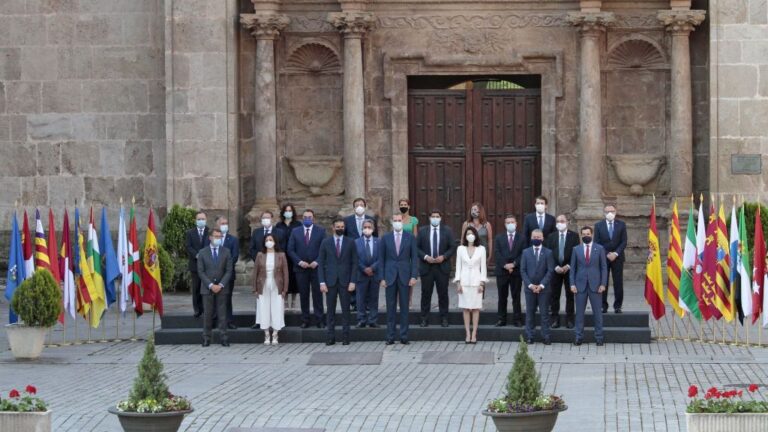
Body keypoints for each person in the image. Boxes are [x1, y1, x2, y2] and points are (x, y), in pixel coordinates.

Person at [379, 212, 419, 345]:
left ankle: (404, 335)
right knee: (390, 308)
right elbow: (381, 259)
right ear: (392, 222)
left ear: (403, 222)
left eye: (399, 220)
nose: (397, 222)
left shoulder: (410, 237)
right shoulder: (385, 238)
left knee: (404, 307)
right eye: (395, 220)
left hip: (405, 276)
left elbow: (414, 259)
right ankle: (390, 336)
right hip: (390, 276)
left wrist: (414, 276)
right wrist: (382, 278)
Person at [318, 218, 358, 345]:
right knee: (330, 311)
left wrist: (353, 281)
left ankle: (346, 337)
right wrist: (322, 282)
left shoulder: (350, 242)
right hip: (330, 282)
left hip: (346, 282)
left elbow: (354, 263)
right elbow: (321, 263)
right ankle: (330, 337)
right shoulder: (325, 242)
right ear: (333, 228)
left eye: (342, 227)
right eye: (338, 227)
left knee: (346, 310)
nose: (340, 228)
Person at [417, 209, 456, 327]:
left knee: (443, 294)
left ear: (440, 218)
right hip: (427, 267)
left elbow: (452, 247)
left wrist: (444, 256)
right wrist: (425, 256)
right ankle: (424, 318)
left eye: (437, 216)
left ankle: (444, 318)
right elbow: (416, 247)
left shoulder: (447, 231)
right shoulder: (422, 231)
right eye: (433, 216)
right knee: (426, 294)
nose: (435, 218)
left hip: (442, 267)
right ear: (429, 218)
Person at [287, 209, 326, 328]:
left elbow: (324, 249)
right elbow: (290, 249)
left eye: (310, 217)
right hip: (301, 269)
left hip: (316, 268)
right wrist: (299, 262)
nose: (307, 219)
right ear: (302, 218)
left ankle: (319, 319)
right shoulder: (295, 231)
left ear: (313, 218)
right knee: (303, 295)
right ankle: (305, 319)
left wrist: (317, 261)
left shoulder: (321, 231)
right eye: (305, 217)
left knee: (317, 295)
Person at [570, 226, 608, 346]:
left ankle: (599, 337)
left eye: (588, 234)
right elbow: (573, 269)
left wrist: (603, 284)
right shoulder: (576, 249)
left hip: (596, 286)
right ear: (581, 236)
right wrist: (572, 284)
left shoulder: (600, 248)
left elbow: (603, 267)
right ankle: (578, 337)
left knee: (597, 313)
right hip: (580, 285)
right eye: (584, 234)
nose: (586, 236)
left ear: (592, 235)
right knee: (580, 313)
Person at [198, 228, 233, 347]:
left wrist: (221, 285)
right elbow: (201, 271)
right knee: (207, 314)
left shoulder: (226, 252)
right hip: (207, 288)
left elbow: (229, 271)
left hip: (222, 288)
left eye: (220, 237)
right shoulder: (202, 252)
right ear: (210, 237)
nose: (218, 239)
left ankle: (224, 337)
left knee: (222, 314)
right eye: (216, 236)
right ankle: (206, 338)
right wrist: (211, 285)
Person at [544, 214, 579, 329]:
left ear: (567, 222)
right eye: (558, 221)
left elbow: (576, 253)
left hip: (569, 270)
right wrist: (555, 267)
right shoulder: (551, 236)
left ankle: (570, 319)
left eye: (562, 221)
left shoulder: (574, 236)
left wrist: (568, 266)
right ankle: (555, 319)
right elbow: (548, 253)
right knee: (554, 295)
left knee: (570, 295)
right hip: (555, 270)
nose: (560, 223)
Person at [252, 234, 289, 345]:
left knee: (277, 308)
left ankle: (275, 333)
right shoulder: (260, 255)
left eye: (271, 240)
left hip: (277, 285)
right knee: (264, 308)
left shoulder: (281, 255)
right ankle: (266, 333)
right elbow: (255, 272)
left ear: (275, 242)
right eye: (267, 240)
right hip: (262, 285)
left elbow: (285, 273)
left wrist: (285, 289)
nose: (269, 241)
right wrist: (254, 288)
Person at [520, 229, 555, 345]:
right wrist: (530, 285)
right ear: (531, 238)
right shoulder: (525, 252)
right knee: (530, 313)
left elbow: (550, 270)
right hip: (529, 288)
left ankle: (546, 336)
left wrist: (541, 285)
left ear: (542, 238)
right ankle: (530, 336)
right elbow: (523, 270)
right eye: (534, 237)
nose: (536, 239)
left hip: (544, 289)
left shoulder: (548, 252)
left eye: (538, 237)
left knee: (544, 313)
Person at [454, 226, 487, 344]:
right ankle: (467, 333)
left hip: (476, 282)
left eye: (472, 233)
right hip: (464, 282)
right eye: (468, 234)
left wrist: (482, 283)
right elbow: (458, 266)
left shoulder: (481, 249)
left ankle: (474, 334)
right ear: (465, 236)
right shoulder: (460, 249)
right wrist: (458, 283)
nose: (470, 236)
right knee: (466, 308)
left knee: (476, 308)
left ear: (475, 235)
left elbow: (483, 267)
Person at [248, 210, 280, 329]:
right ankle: (260, 321)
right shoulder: (256, 232)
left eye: (268, 217)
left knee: (274, 297)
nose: (265, 220)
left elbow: (282, 248)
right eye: (263, 218)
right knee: (261, 297)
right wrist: (258, 260)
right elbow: (251, 249)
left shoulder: (279, 232)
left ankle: (274, 321)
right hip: (261, 269)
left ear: (272, 219)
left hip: (274, 268)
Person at [593, 204, 627, 314]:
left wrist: (616, 253)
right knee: (603, 282)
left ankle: (618, 306)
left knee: (618, 282)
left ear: (616, 212)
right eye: (607, 211)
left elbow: (624, 242)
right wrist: (607, 254)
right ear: (604, 213)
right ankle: (603, 305)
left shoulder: (621, 225)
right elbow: (597, 242)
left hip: (618, 258)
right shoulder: (598, 225)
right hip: (604, 257)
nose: (610, 213)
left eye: (612, 211)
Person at [493, 215, 525, 327]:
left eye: (512, 222)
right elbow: (497, 253)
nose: (510, 224)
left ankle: (517, 319)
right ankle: (501, 319)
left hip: (516, 272)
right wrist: (505, 265)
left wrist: (514, 264)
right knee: (502, 296)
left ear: (516, 224)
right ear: (505, 224)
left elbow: (523, 253)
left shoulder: (522, 238)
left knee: (516, 296)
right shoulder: (499, 237)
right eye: (508, 222)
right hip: (502, 271)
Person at [274, 203, 302, 309]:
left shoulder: (298, 224)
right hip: (283, 255)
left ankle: (294, 301)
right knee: (284, 278)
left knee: (294, 279)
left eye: (290, 210)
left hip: (294, 256)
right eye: (286, 210)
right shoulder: (279, 225)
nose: (288, 212)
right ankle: (285, 300)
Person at [354, 219, 381, 328]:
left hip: (374, 274)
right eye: (365, 227)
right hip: (361, 274)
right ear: (362, 229)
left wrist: (373, 268)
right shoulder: (356, 242)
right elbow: (355, 258)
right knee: (360, 298)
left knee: (374, 298)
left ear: (373, 229)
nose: (367, 229)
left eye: (369, 227)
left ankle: (373, 320)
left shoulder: (379, 241)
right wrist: (364, 268)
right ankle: (361, 320)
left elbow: (381, 257)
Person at [216, 215, 239, 330]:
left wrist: (224, 268)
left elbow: (234, 256)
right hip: (214, 275)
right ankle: (217, 321)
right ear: (217, 225)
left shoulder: (233, 240)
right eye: (222, 223)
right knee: (215, 298)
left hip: (228, 274)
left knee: (227, 298)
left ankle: (229, 321)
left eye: (226, 223)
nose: (224, 225)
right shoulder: (211, 239)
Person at [185, 211, 209, 318]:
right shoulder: (190, 233)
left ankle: (206, 309)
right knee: (196, 288)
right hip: (195, 265)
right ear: (195, 220)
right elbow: (188, 246)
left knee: (206, 288)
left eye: (203, 219)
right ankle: (197, 309)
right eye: (199, 219)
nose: (201, 221)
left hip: (207, 265)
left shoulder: (210, 232)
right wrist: (197, 255)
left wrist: (204, 255)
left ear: (206, 220)